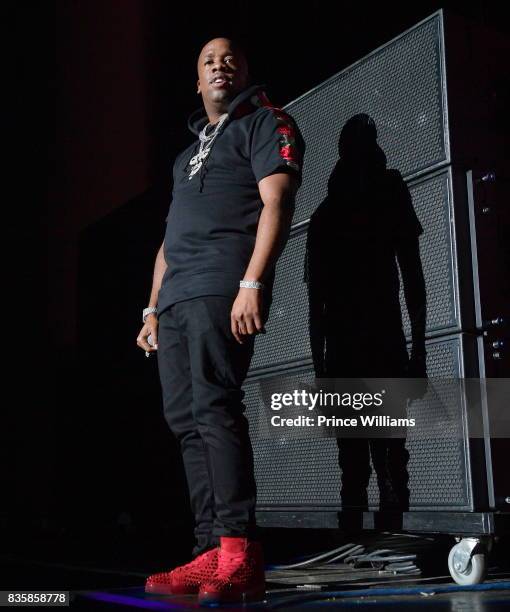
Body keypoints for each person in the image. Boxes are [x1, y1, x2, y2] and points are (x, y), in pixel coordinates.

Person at [137, 37, 304, 605]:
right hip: (177, 298)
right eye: (207, 60)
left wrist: (252, 283)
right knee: (183, 419)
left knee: (214, 408)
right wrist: (152, 308)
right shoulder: (185, 156)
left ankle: (239, 553)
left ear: (245, 71)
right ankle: (208, 548)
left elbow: (277, 204)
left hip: (220, 286)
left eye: (228, 58)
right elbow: (167, 240)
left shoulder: (265, 122)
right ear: (195, 79)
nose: (218, 65)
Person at [305, 114, 426, 527]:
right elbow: (411, 275)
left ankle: (372, 546)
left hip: (367, 346)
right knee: (371, 463)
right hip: (367, 346)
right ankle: (376, 546)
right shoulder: (367, 199)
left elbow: (315, 303)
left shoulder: (334, 210)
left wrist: (322, 370)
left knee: (372, 464)